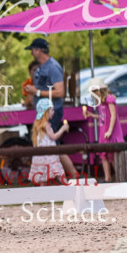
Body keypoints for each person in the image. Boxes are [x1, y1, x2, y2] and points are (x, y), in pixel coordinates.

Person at [22, 38, 78, 177]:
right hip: (44, 112)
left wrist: (37, 92)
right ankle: (60, 176)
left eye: (32, 50)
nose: (31, 53)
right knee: (50, 144)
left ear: (38, 50)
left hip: (52, 111)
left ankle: (71, 175)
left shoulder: (52, 67)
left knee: (53, 144)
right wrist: (33, 92)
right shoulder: (42, 66)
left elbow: (60, 92)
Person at [84, 76, 125, 182]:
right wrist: (92, 115)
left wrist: (110, 131)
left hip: (111, 132)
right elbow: (103, 117)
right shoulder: (101, 102)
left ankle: (120, 176)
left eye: (94, 92)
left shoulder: (109, 99)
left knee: (112, 156)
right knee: (103, 156)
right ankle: (108, 178)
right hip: (103, 132)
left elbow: (113, 115)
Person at [27, 99, 70, 185]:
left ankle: (42, 190)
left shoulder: (38, 125)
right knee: (58, 171)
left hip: (40, 156)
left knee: (43, 176)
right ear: (46, 112)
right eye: (52, 110)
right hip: (49, 154)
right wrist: (63, 129)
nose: (53, 112)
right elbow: (53, 137)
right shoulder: (46, 125)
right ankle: (67, 185)